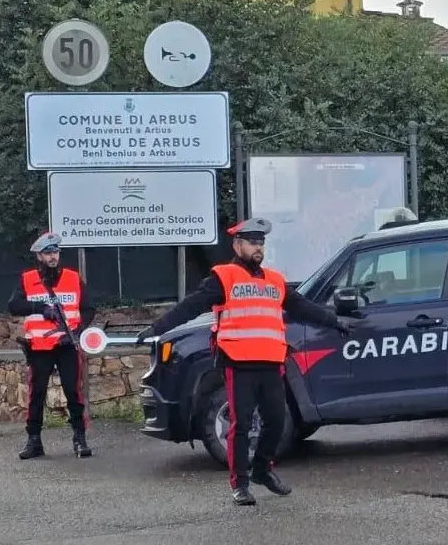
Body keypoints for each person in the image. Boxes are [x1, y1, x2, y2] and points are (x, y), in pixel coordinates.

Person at [135, 217, 351, 506]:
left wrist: (334, 320)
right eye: (252, 242)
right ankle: (240, 484)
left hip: (271, 361)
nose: (258, 247)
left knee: (276, 422)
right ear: (237, 245)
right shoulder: (224, 277)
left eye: (261, 242)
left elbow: (303, 307)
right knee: (241, 424)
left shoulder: (274, 280)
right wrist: (155, 329)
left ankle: (262, 469)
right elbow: (190, 306)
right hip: (238, 362)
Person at [7, 231, 95, 460]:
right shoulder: (27, 279)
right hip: (39, 347)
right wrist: (40, 308)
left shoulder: (73, 278)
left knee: (72, 392)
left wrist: (79, 329)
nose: (53, 257)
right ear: (39, 256)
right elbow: (14, 305)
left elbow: (88, 308)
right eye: (48, 253)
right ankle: (34, 440)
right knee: (36, 394)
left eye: (55, 252)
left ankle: (79, 437)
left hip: (67, 345)